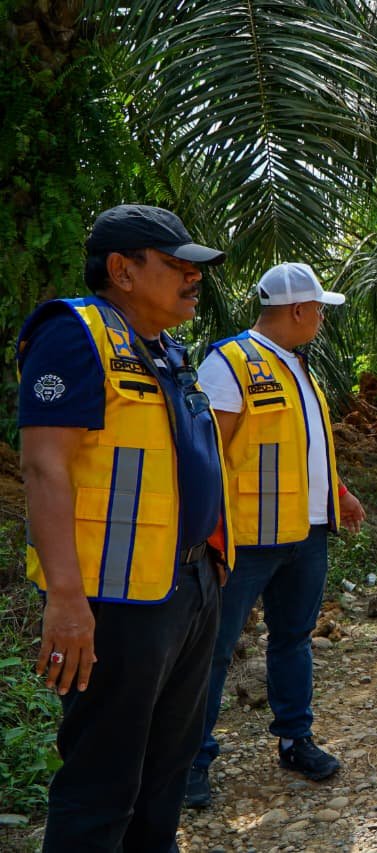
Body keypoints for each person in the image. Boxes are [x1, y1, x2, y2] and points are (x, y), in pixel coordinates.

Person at [17, 204, 234, 852]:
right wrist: (65, 600)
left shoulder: (168, 351)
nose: (194, 279)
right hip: (113, 604)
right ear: (122, 269)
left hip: (187, 586)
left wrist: (212, 568)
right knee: (102, 783)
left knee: (165, 773)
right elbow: (43, 465)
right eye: (176, 265)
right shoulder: (74, 336)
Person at [185, 262, 366, 807]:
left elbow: (304, 445)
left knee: (293, 639)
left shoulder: (298, 366)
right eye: (319, 311)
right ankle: (190, 761)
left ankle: (295, 740)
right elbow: (205, 455)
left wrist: (339, 492)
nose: (321, 320)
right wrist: (208, 536)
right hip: (246, 541)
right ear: (298, 310)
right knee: (214, 652)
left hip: (306, 536)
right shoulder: (229, 363)